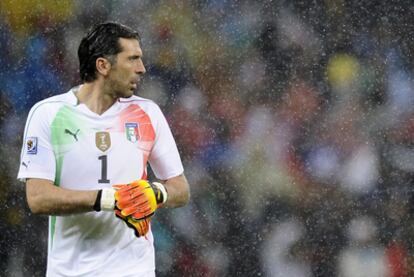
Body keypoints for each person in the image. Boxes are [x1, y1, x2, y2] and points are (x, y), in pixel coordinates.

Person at [17, 22, 190, 277]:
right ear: (103, 65)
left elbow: (181, 189)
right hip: (70, 271)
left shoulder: (148, 113)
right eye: (132, 59)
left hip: (135, 269)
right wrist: (108, 199)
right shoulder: (48, 115)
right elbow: (38, 198)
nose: (141, 69)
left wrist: (156, 193)